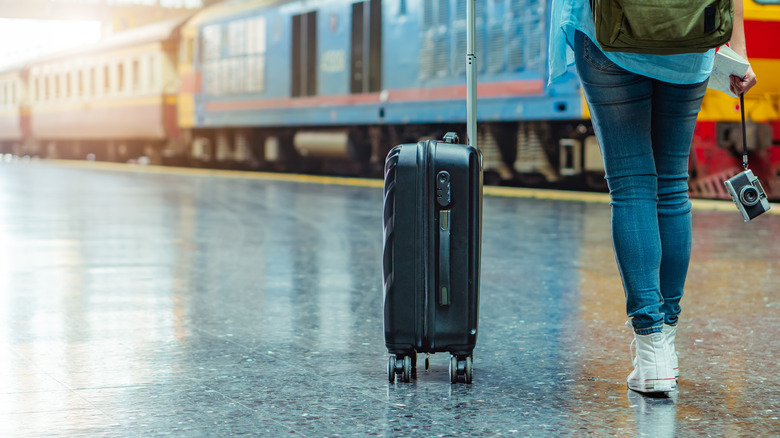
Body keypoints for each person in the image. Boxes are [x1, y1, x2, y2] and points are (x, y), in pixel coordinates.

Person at [548, 0, 757, 394]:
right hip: (688, 39)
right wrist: (738, 47)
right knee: (672, 185)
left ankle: (652, 351)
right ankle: (667, 344)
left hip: (609, 37)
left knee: (632, 185)